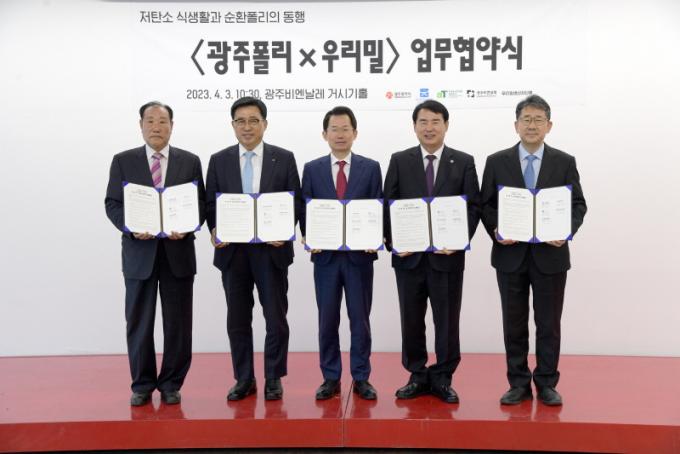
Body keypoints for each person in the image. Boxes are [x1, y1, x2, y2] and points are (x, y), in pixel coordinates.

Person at [480, 94, 587, 406]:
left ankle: (547, 383)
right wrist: (496, 230)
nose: (532, 125)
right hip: (510, 256)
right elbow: (486, 204)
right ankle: (518, 383)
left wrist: (565, 230)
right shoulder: (496, 161)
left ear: (549, 125)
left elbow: (578, 204)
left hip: (550, 257)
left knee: (548, 324)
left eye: (538, 119)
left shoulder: (564, 162)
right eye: (526, 119)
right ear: (516, 125)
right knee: (513, 324)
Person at [105, 101, 206, 406]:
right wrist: (131, 226)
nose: (156, 128)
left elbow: (200, 204)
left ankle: (172, 383)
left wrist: (187, 226)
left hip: (178, 254)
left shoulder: (190, 161)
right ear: (141, 126)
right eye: (150, 121)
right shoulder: (123, 161)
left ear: (172, 126)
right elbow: (112, 203)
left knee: (178, 324)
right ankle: (142, 384)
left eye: (162, 122)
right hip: (140, 254)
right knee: (139, 322)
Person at [383, 99, 481, 403]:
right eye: (423, 122)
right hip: (409, 259)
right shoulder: (400, 160)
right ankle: (417, 374)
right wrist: (393, 242)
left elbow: (474, 206)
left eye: (435, 121)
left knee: (447, 321)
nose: (429, 128)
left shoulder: (463, 161)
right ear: (414, 127)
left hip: (447, 259)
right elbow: (388, 204)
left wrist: (459, 239)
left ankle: (443, 377)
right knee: (411, 319)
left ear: (446, 125)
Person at [206, 97, 301, 401]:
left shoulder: (283, 158)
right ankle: (244, 378)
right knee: (237, 319)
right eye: (241, 121)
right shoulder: (218, 160)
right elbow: (210, 203)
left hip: (271, 252)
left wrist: (284, 230)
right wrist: (214, 229)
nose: (247, 127)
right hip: (233, 252)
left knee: (275, 318)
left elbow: (295, 201)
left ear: (265, 124)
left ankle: (274, 376)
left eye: (253, 120)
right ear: (233, 125)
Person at [300, 106, 383, 401]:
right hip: (326, 258)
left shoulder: (371, 168)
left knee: (360, 320)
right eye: (334, 129)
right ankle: (330, 377)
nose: (340, 134)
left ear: (355, 133)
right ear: (325, 134)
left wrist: (376, 235)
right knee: (327, 320)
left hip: (360, 258)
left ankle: (361, 377)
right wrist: (309, 235)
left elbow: (377, 205)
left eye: (345, 128)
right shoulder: (312, 169)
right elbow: (305, 208)